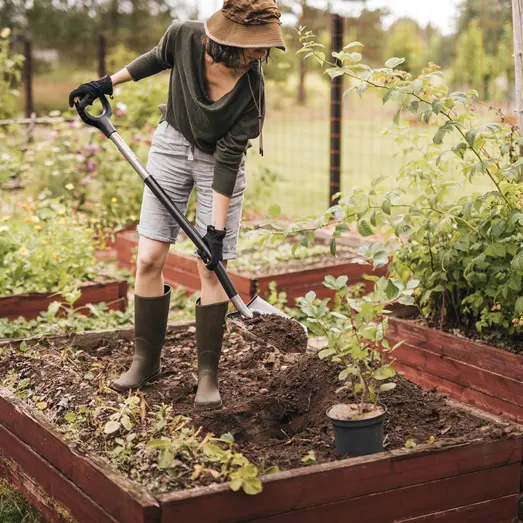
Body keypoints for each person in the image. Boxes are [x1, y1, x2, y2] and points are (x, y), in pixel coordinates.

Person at [68, 0, 286, 410]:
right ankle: (145, 361)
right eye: (254, 44)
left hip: (217, 165)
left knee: (210, 267)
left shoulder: (252, 93)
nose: (261, 54)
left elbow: (227, 159)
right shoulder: (184, 36)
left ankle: (207, 375)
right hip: (171, 144)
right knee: (149, 258)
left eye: (265, 45)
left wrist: (215, 233)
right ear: (228, 38)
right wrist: (105, 84)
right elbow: (155, 59)